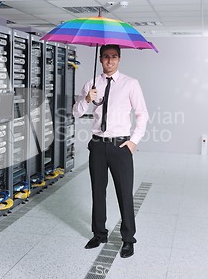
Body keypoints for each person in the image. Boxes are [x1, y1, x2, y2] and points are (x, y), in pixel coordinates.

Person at [73, 44, 149, 258]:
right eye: (106, 57)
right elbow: (76, 113)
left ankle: (128, 239)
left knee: (124, 193)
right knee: (98, 191)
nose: (110, 61)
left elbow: (142, 114)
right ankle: (99, 233)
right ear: (100, 59)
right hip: (97, 145)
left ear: (119, 59)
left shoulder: (130, 84)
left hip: (120, 146)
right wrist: (87, 99)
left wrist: (134, 141)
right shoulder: (91, 83)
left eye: (114, 57)